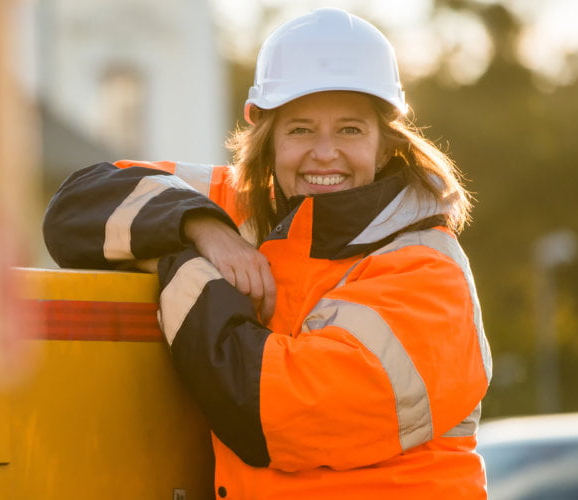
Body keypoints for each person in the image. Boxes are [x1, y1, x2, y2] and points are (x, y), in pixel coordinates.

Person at [43, 8, 491, 499]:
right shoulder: (236, 206)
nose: (324, 153)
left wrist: (183, 265)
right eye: (300, 129)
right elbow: (73, 210)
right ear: (267, 135)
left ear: (384, 144)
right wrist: (202, 227)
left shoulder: (427, 273)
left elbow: (267, 411)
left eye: (349, 130)